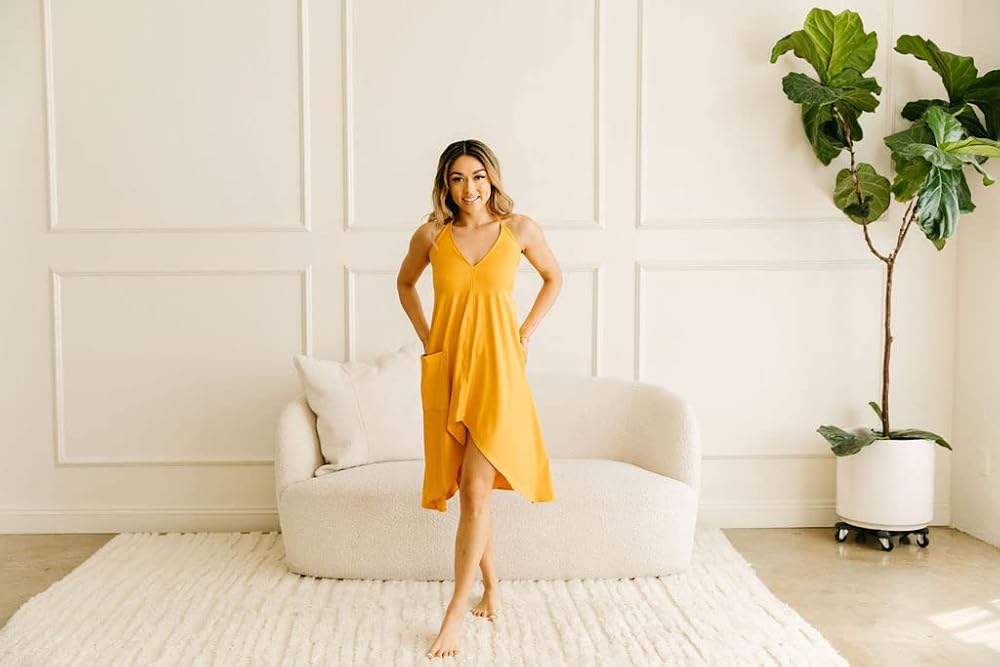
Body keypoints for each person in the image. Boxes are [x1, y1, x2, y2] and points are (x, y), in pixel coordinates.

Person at [396, 139, 562, 659]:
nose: (469, 189)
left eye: (478, 176)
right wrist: (428, 337)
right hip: (448, 370)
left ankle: (453, 614)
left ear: (492, 178)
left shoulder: (519, 230)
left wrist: (524, 332)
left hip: (499, 372)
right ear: (445, 185)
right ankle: (491, 588)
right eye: (458, 178)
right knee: (476, 494)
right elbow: (405, 284)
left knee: (473, 489)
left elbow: (554, 277)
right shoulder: (432, 235)